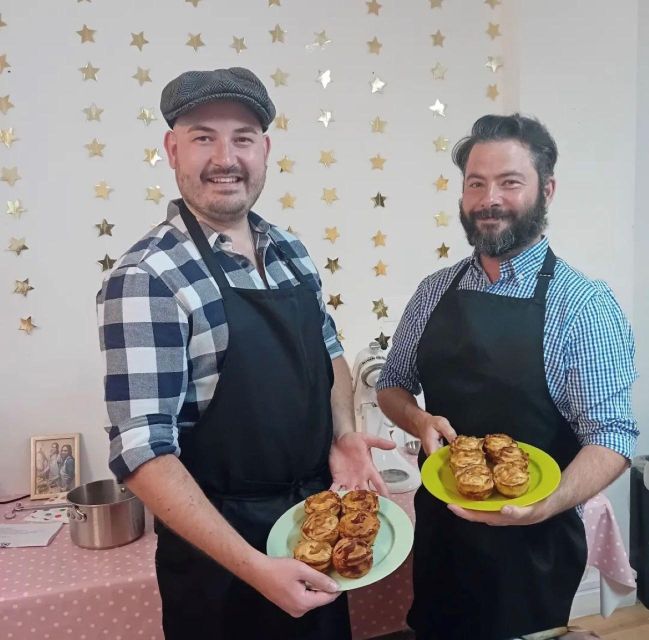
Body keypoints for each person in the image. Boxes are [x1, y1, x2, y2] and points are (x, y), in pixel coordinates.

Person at [97, 66, 394, 640]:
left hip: (311, 530)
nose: (224, 157)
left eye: (243, 138)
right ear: (172, 149)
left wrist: (342, 435)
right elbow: (142, 453)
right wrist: (257, 568)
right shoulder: (147, 278)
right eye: (203, 136)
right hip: (221, 567)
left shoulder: (290, 250)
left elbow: (328, 353)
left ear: (265, 150)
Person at [376, 114, 638, 640]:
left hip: (533, 548)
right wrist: (418, 418)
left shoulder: (583, 305)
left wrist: (546, 504)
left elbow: (612, 437)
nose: (488, 198)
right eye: (476, 183)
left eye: (509, 182)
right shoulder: (433, 291)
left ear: (548, 189)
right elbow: (392, 383)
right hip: (442, 533)